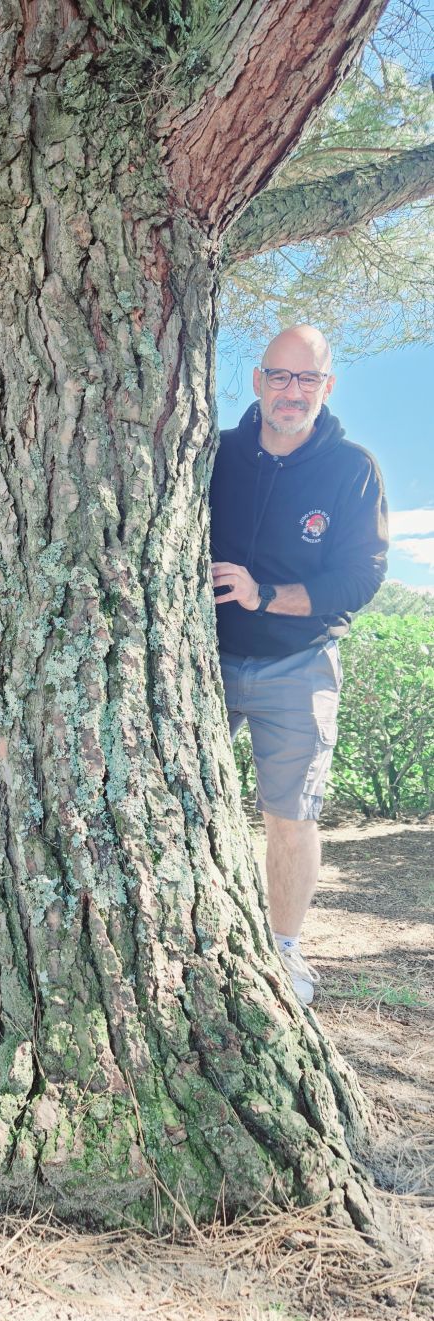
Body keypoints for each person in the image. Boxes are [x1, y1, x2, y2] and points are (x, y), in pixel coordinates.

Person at [210, 325, 388, 1005]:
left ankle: (283, 950)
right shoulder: (215, 454)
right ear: (256, 381)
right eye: (279, 377)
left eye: (306, 379)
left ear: (326, 387)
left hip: (300, 664)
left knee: (289, 814)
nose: (292, 392)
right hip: (202, 665)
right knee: (174, 802)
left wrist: (266, 596)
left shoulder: (352, 469)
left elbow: (360, 577)